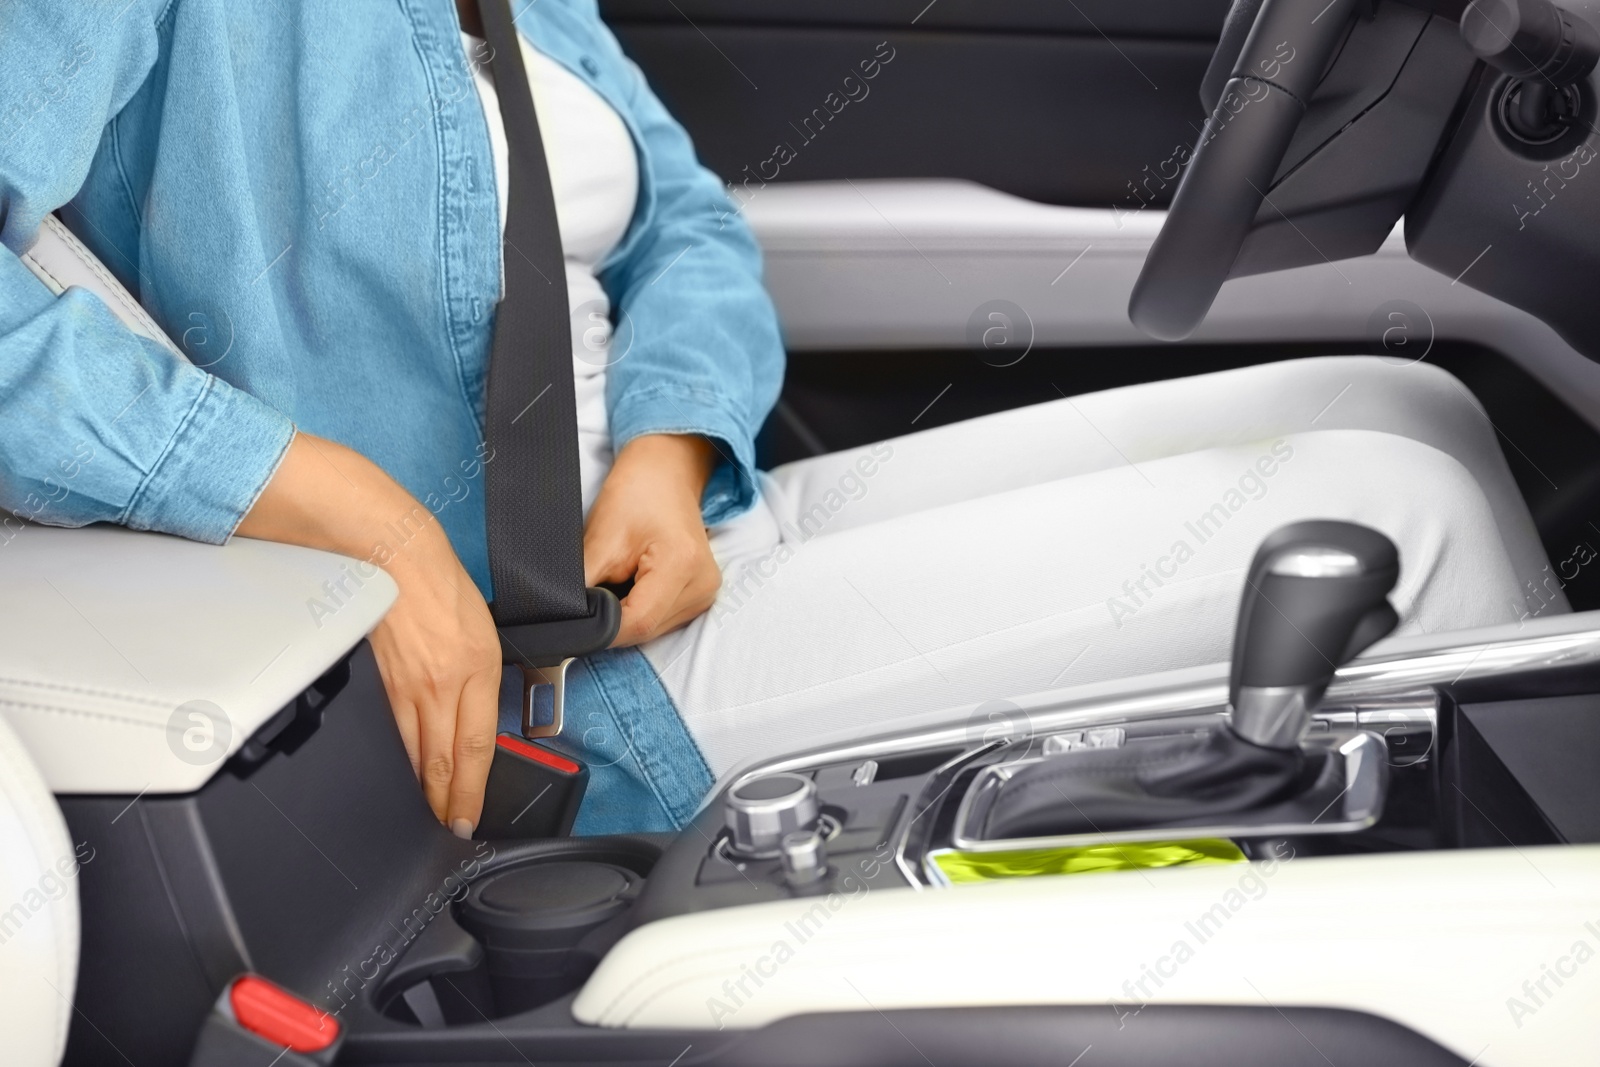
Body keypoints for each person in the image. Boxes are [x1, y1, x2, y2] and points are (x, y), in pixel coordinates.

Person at [0, 0, 1558, 839]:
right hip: (517, 678)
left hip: (677, 547)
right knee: (1394, 522)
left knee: (1410, 405)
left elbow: (688, 226)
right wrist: (364, 518)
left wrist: (676, 454)